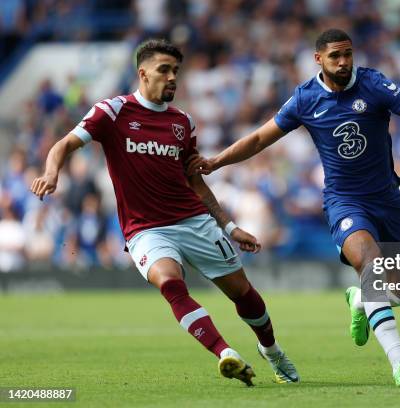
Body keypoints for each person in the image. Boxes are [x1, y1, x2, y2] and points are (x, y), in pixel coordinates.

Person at [187, 29, 400, 386]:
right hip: (344, 202)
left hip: (388, 202)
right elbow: (258, 138)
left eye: (348, 54)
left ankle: (360, 300)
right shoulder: (305, 99)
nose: (344, 62)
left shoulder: (374, 84)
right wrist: (217, 162)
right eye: (335, 56)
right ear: (319, 59)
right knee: (372, 266)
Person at [30, 39, 299, 386]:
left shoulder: (182, 122)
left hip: (195, 221)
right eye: (164, 70)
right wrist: (52, 172)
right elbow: (64, 144)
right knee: (170, 283)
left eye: (175, 71)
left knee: (243, 294)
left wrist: (230, 227)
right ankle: (225, 353)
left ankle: (272, 351)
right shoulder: (112, 111)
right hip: (145, 230)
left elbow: (197, 183)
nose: (172, 77)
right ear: (143, 73)